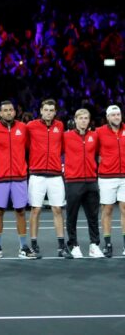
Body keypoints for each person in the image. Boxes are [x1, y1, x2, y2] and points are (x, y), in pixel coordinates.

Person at [0, 100, 37, 259]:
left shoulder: (23, 128)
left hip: (19, 177)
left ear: (15, 112)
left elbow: (31, 146)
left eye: (11, 110)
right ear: (0, 113)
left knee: (20, 212)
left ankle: (23, 247)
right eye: (5, 110)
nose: (8, 112)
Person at [26, 99, 71, 258]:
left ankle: (61, 246)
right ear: (41, 110)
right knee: (35, 210)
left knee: (58, 209)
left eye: (52, 110)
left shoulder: (60, 126)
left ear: (55, 112)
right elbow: (23, 143)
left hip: (55, 175)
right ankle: (33, 245)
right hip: (37, 175)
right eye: (46, 110)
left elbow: (63, 148)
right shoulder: (30, 126)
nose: (49, 113)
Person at [63, 108, 104, 258]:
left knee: (93, 216)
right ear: (75, 120)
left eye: (86, 118)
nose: (83, 121)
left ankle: (94, 245)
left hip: (91, 181)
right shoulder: (66, 136)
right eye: (80, 118)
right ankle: (73, 245)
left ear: (89, 120)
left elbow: (100, 153)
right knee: (71, 216)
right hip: (73, 181)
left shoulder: (95, 136)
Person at [96, 104, 125, 258]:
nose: (116, 117)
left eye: (118, 114)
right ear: (107, 117)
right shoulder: (99, 132)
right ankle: (107, 244)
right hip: (107, 177)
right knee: (107, 210)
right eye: (113, 115)